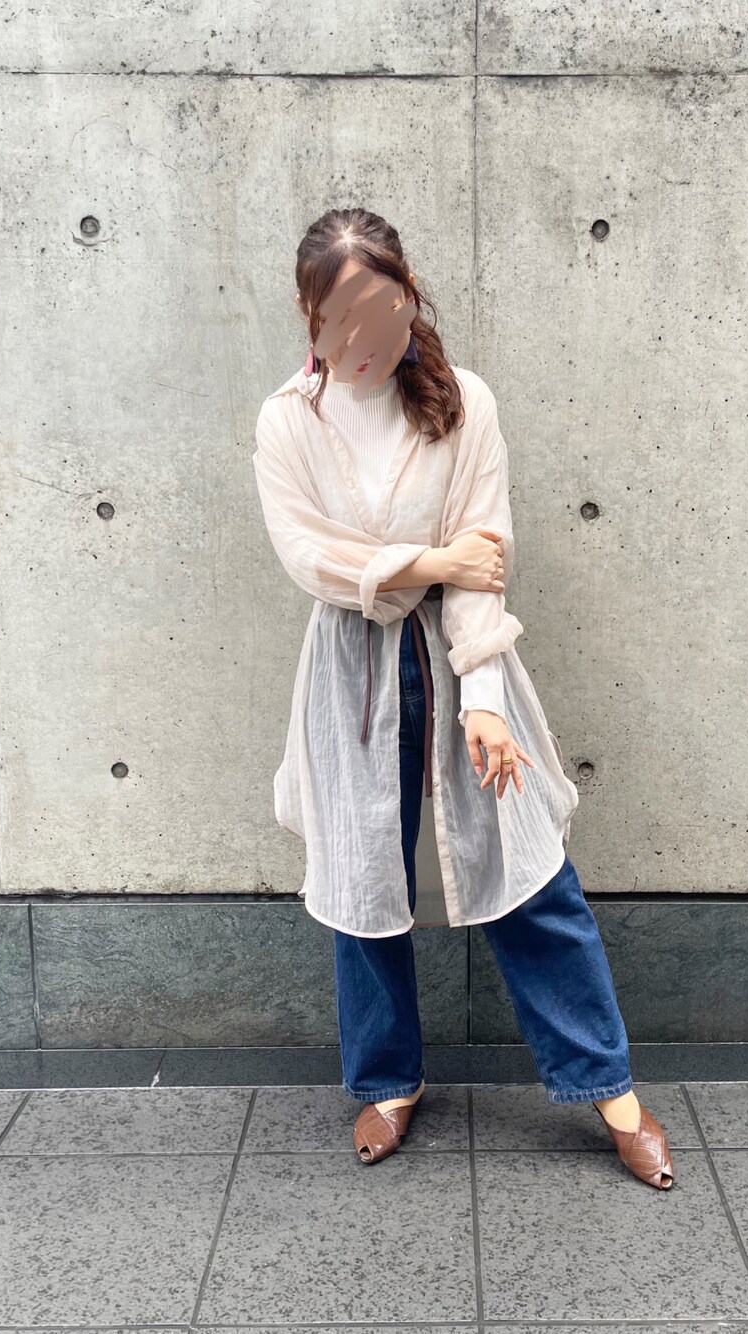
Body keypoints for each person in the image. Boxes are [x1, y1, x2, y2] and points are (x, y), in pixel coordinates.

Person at [252, 208, 674, 1190]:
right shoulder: (288, 420)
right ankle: (387, 1080)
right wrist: (431, 562)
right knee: (363, 883)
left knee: (531, 877)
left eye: (376, 307)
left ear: (407, 297)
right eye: (336, 317)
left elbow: (483, 560)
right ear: (311, 321)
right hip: (350, 672)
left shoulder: (462, 401)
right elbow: (308, 557)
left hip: (460, 659)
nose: (359, 336)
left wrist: (482, 694)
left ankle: (610, 1089)